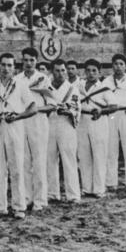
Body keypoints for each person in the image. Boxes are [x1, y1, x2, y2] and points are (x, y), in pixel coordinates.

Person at [0, 53, 35, 219]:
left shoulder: (20, 84)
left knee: (16, 166)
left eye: (10, 65)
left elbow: (33, 108)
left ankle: (19, 206)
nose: (6, 69)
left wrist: (18, 116)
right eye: (3, 65)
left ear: (14, 67)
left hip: (14, 125)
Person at [15, 48, 51, 211]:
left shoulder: (43, 79)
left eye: (31, 60)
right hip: (22, 121)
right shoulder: (16, 79)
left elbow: (53, 103)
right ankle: (27, 197)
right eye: (25, 60)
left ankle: (40, 199)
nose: (28, 63)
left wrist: (38, 109)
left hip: (38, 122)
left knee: (39, 161)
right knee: (24, 161)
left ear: (36, 61)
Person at [102, 54, 126, 193]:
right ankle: (111, 182)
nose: (118, 67)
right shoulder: (106, 81)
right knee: (111, 149)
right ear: (112, 65)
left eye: (121, 64)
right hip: (111, 115)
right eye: (115, 64)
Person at [77, 59, 114, 198]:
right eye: (88, 70)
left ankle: (99, 189)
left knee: (99, 155)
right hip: (82, 122)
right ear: (84, 71)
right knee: (84, 155)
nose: (91, 73)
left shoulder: (104, 88)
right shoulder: (79, 86)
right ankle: (87, 188)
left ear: (99, 73)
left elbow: (113, 106)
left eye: (94, 71)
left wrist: (101, 111)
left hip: (98, 122)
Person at [46, 59, 81, 203]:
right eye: (57, 71)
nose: (60, 74)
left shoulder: (72, 88)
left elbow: (77, 108)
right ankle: (52, 193)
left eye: (63, 70)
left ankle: (73, 195)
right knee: (50, 159)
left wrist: (69, 112)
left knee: (69, 160)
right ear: (52, 72)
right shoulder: (47, 87)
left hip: (66, 125)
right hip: (50, 123)